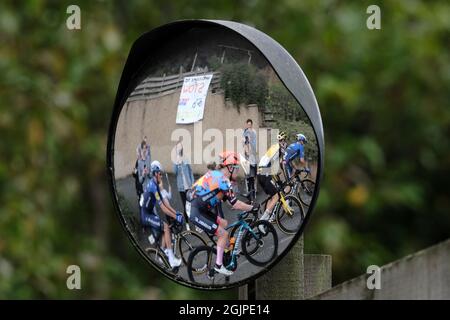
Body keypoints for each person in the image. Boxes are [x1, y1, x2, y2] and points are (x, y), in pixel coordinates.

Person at [189, 151, 259, 276]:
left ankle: (224, 251)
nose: (238, 171)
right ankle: (218, 265)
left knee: (224, 223)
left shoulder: (217, 175)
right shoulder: (223, 180)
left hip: (199, 207)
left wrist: (237, 204)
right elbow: (235, 204)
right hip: (197, 210)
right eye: (237, 168)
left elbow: (227, 200)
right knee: (223, 234)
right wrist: (251, 207)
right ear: (230, 167)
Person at [140, 161, 184, 268]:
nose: (161, 175)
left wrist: (176, 212)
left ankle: (162, 254)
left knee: (165, 227)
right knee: (165, 227)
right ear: (155, 173)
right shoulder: (153, 187)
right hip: (146, 216)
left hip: (149, 213)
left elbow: (165, 203)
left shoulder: (156, 185)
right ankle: (171, 259)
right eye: (160, 173)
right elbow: (163, 209)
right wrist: (176, 217)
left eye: (161, 174)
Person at [257, 131, 288, 222]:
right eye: (284, 141)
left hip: (260, 173)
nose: (285, 143)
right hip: (265, 172)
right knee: (276, 196)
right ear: (281, 141)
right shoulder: (279, 149)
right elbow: (279, 166)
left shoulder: (273, 148)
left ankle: (266, 220)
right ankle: (262, 222)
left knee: (272, 196)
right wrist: (284, 177)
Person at [173, 141, 195, 219]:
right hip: (181, 188)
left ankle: (194, 221)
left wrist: (193, 183)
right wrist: (177, 163)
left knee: (192, 204)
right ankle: (187, 223)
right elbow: (174, 172)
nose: (179, 149)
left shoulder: (186, 158)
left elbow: (190, 171)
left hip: (189, 186)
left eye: (180, 147)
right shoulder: (175, 160)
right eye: (178, 147)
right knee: (185, 205)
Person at [242, 119, 257, 201]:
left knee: (253, 177)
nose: (249, 126)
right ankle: (249, 195)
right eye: (248, 124)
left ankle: (254, 194)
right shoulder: (245, 133)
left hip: (253, 158)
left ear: (252, 125)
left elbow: (254, 145)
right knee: (248, 177)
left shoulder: (254, 132)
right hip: (247, 159)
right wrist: (247, 152)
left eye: (250, 124)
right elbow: (245, 144)